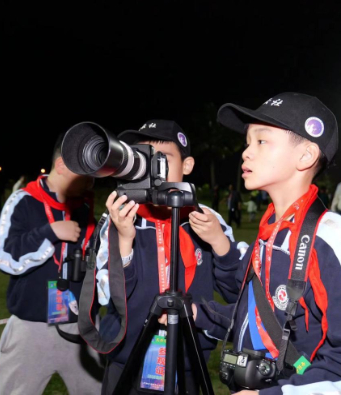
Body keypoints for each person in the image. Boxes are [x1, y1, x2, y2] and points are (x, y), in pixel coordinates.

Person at [195, 93, 341, 394]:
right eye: (248, 142)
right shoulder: (269, 232)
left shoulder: (330, 236)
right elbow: (252, 316)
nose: (246, 152)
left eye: (261, 141)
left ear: (306, 155)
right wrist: (197, 313)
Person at [96, 120, 247, 395]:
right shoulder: (121, 219)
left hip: (188, 363)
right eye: (144, 157)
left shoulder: (206, 219)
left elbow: (238, 293)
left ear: (186, 166)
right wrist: (125, 241)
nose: (152, 166)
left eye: (162, 158)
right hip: (128, 362)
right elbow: (110, 296)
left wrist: (219, 242)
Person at [0, 134, 102, 395]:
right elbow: (5, 258)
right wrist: (49, 232)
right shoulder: (23, 201)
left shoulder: (86, 206)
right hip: (32, 329)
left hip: (83, 326)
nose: (92, 181)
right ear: (63, 165)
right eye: (86, 173)